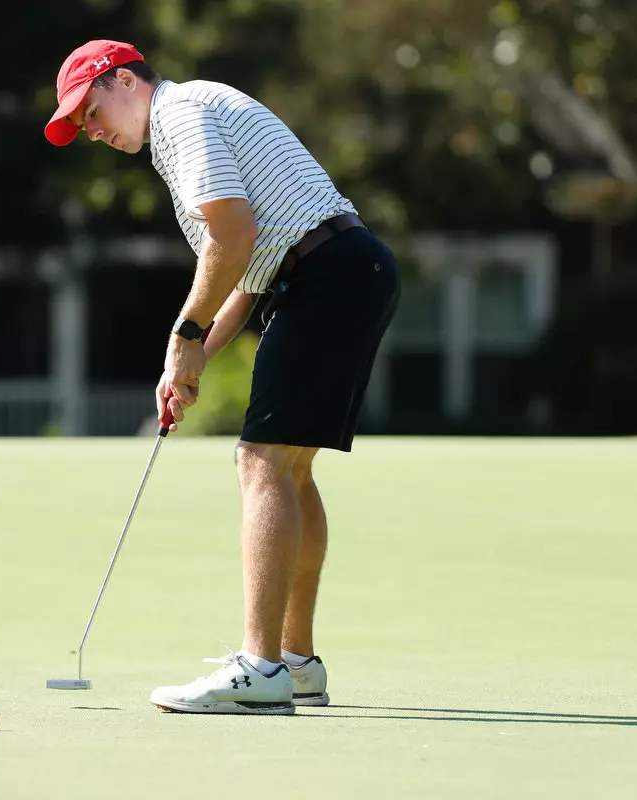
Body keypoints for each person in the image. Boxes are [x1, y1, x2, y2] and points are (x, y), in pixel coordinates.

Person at [44, 40, 401, 715]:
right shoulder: (187, 121)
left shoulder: (180, 114)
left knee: (260, 461)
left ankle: (261, 669)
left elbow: (231, 238)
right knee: (289, 468)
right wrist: (193, 356)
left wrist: (182, 335)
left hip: (327, 274)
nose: (90, 131)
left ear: (122, 80)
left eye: (88, 112)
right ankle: (294, 663)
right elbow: (240, 266)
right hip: (346, 268)